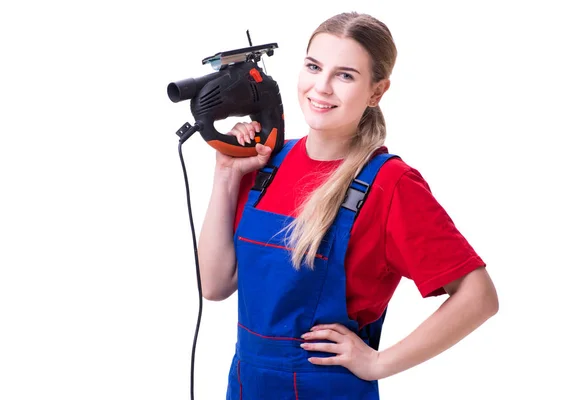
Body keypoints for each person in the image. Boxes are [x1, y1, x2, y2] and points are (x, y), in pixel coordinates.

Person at [197, 11, 499, 399]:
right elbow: (215, 284)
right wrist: (226, 174)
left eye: (345, 75)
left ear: (376, 92)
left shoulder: (390, 185)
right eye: (313, 66)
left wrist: (378, 362)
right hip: (246, 386)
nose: (320, 87)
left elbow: (479, 296)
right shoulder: (266, 165)